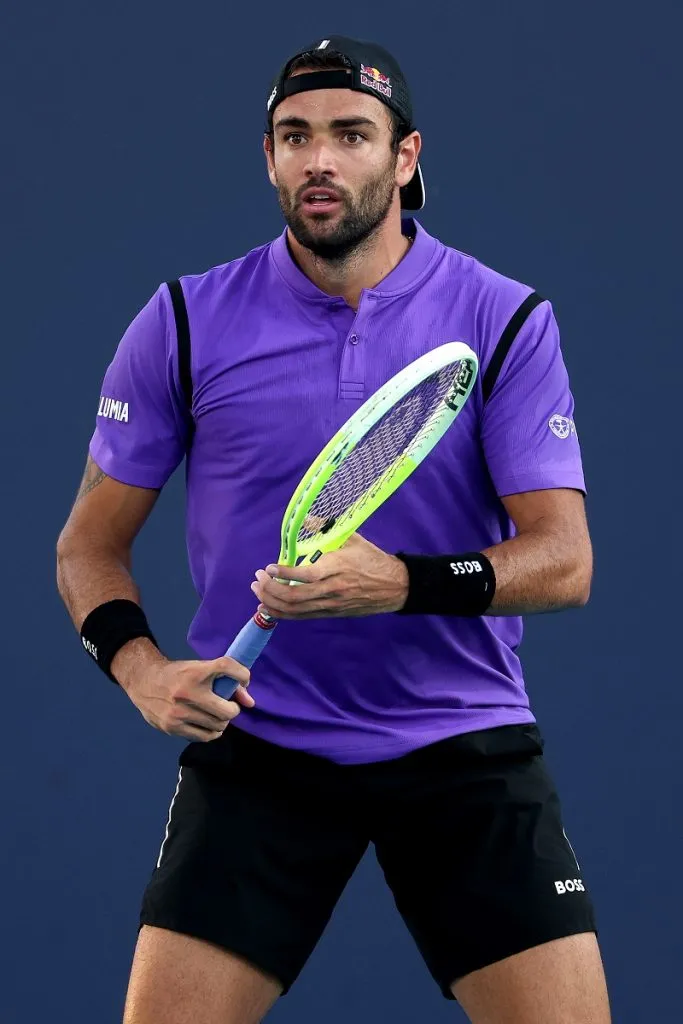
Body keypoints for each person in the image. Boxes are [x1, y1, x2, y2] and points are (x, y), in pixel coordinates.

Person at [56, 35, 611, 1024]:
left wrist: (399, 582)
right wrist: (142, 672)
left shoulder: (504, 320)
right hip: (261, 741)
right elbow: (88, 545)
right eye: (294, 135)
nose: (319, 159)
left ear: (403, 158)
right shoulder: (182, 321)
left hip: (461, 741)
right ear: (268, 157)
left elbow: (563, 562)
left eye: (350, 134)